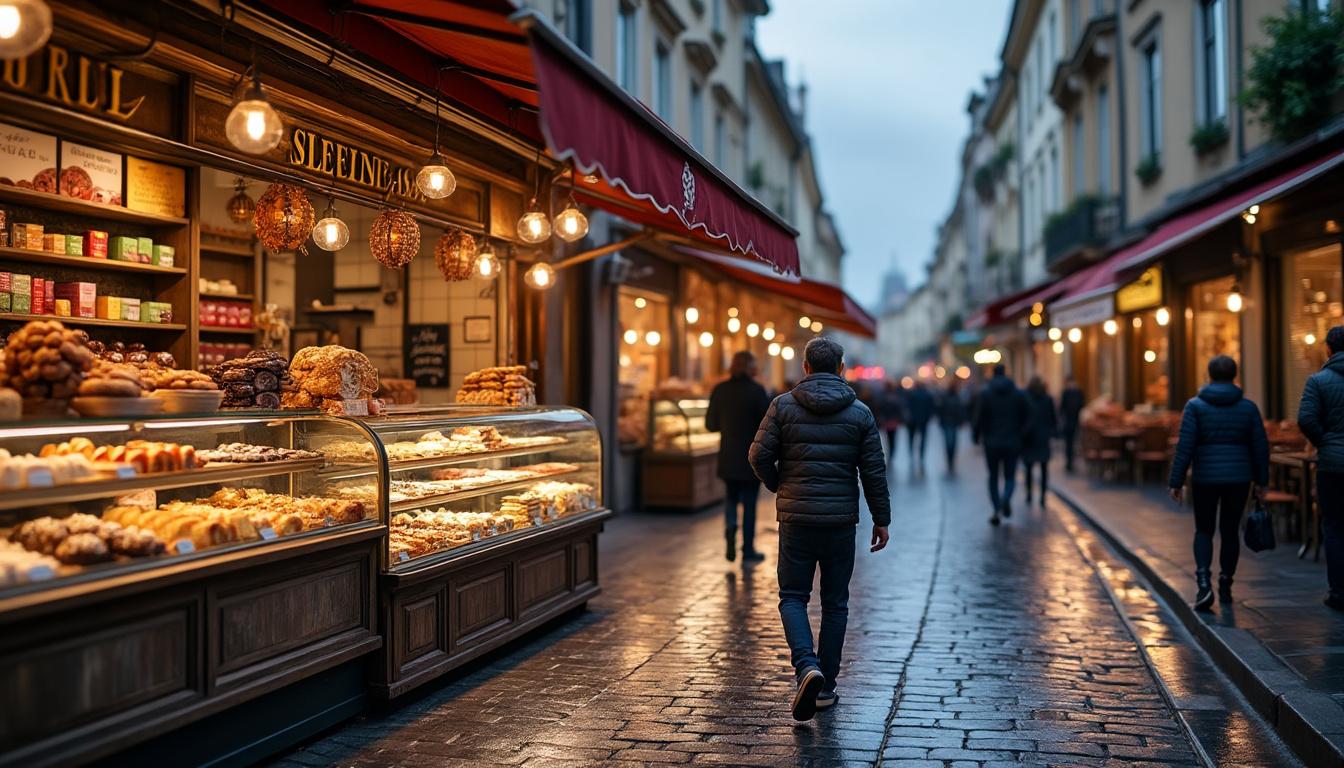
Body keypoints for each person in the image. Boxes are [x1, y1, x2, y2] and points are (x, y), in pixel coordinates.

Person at [749, 337, 890, 721]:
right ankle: (825, 686)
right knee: (835, 602)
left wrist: (779, 483)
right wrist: (882, 519)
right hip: (840, 520)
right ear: (842, 368)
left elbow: (758, 454)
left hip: (796, 519)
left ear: (805, 367)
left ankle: (805, 666)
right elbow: (873, 471)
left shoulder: (782, 406)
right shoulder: (859, 412)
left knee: (793, 595)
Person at [1169, 355, 1269, 611]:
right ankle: (1226, 583)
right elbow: (1260, 447)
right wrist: (1262, 480)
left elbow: (1185, 446)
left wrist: (1176, 481)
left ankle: (1204, 582)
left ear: (1209, 375)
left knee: (1204, 529)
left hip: (1205, 478)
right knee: (1230, 530)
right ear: (1235, 376)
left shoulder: (1195, 406)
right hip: (1239, 477)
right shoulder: (1248, 407)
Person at [705, 350, 772, 564]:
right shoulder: (757, 391)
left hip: (727, 455)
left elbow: (710, 424)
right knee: (750, 504)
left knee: (731, 498)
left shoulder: (720, 389)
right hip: (751, 457)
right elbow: (767, 425)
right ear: (751, 367)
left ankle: (731, 524)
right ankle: (748, 549)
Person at [1297, 326, 1344, 611]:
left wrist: (1324, 442)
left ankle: (1338, 592)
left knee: (1335, 526)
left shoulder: (1319, 380)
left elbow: (1306, 419)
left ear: (1328, 349)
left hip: (1333, 466)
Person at [972, 364, 1031, 525]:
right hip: (1013, 441)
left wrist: (976, 436)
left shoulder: (985, 393)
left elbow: (979, 417)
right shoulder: (1018, 394)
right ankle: (1006, 498)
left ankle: (997, 508)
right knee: (1010, 476)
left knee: (993, 476)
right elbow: (1028, 417)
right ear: (1006, 373)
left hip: (991, 442)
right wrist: (1022, 435)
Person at [1022, 376, 1058, 506]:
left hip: (1029, 437)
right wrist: (1052, 432)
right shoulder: (1047, 399)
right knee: (1043, 468)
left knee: (1029, 468)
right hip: (1042, 437)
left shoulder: (1025, 397)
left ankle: (1029, 494)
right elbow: (1053, 418)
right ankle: (1042, 495)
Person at [938, 380, 968, 473]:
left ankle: (951, 459)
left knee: (952, 442)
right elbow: (941, 410)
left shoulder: (956, 397)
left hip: (953, 423)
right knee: (950, 442)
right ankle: (950, 459)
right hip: (948, 422)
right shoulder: (950, 397)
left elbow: (960, 410)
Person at [904, 381, 935, 468]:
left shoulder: (911, 394)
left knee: (911, 438)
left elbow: (907, 406)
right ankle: (921, 456)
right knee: (923, 439)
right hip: (923, 420)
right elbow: (931, 408)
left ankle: (911, 454)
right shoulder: (928, 395)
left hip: (912, 420)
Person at [1060, 376, 1085, 472]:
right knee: (1072, 442)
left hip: (1070, 421)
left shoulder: (1067, 392)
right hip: (1074, 421)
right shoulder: (1077, 392)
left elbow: (1062, 408)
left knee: (1069, 443)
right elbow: (1081, 405)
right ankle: (1070, 461)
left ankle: (1070, 462)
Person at [877, 380, 905, 462]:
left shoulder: (883, 396)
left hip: (887, 420)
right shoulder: (895, 396)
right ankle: (891, 453)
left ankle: (890, 453)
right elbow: (899, 408)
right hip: (893, 421)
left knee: (888, 438)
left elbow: (880, 408)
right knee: (892, 438)